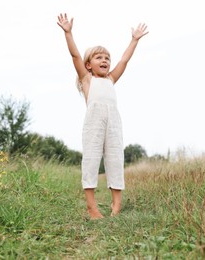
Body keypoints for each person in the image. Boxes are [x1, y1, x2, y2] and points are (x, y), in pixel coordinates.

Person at [57, 13, 148, 219]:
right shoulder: (87, 79)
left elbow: (124, 60)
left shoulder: (111, 79)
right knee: (91, 159)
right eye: (99, 57)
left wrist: (134, 40)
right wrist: (68, 33)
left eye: (107, 58)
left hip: (114, 121)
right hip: (94, 121)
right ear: (89, 65)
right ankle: (92, 208)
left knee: (116, 158)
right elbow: (75, 56)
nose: (105, 60)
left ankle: (116, 206)